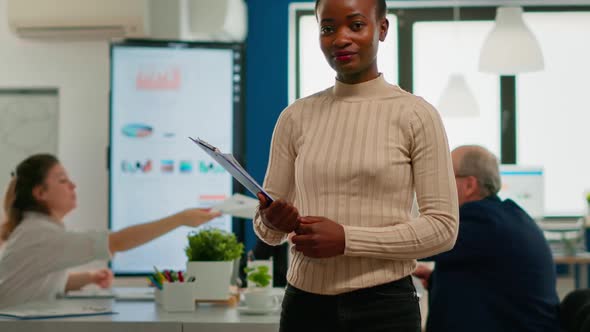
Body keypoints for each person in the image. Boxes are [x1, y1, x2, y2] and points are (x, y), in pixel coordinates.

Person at [253, 0, 459, 330]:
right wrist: (273, 220)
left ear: (382, 28)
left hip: (385, 307)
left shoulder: (416, 115)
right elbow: (266, 231)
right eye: (328, 28)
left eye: (356, 25)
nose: (340, 39)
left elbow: (443, 229)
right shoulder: (294, 117)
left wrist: (347, 239)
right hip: (304, 306)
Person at [0, 154, 221, 308]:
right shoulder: (40, 234)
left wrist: (87, 278)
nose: (73, 185)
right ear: (40, 193)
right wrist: (180, 219)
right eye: (63, 180)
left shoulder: (37, 230)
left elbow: (37, 282)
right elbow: (115, 242)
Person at [413, 145, 560, 332]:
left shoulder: (480, 219)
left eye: (444, 177)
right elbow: (491, 284)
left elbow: (417, 243)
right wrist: (436, 280)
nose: (438, 185)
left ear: (469, 185)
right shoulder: (506, 215)